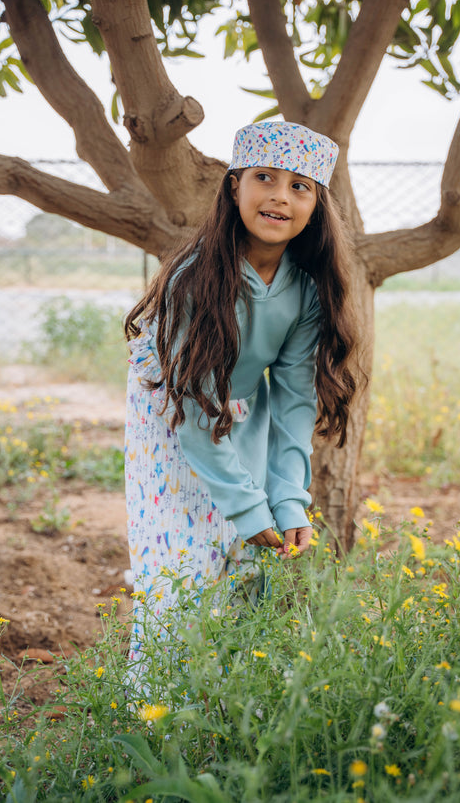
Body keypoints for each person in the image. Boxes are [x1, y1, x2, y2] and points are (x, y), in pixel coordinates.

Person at [124, 121, 359, 669]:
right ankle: (156, 708)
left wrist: (287, 499)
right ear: (234, 187)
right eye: (264, 178)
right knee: (180, 572)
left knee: (243, 568)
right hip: (173, 420)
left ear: (315, 206)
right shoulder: (193, 279)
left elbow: (295, 399)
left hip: (242, 413)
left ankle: (226, 704)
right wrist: (251, 509)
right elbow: (191, 411)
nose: (281, 196)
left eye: (299, 186)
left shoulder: (305, 289)